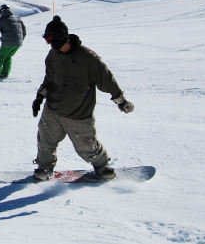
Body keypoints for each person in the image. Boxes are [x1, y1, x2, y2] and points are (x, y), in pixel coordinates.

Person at [31, 16, 134, 181]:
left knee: (87, 147)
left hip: (78, 113)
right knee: (45, 141)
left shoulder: (87, 58)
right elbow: (49, 79)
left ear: (63, 37)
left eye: (53, 40)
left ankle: (102, 166)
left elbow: (106, 80)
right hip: (53, 108)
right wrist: (39, 97)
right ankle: (44, 168)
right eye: (48, 41)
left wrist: (121, 101)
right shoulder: (53, 55)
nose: (52, 45)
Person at [0, 4, 26, 80]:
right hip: (18, 43)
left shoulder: (1, 20)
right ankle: (5, 73)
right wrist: (20, 40)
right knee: (8, 57)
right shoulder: (18, 18)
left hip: (8, 42)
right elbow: (24, 31)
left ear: (1, 11)